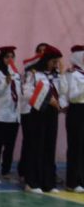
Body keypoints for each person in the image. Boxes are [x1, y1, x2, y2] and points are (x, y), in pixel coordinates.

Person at [21, 45, 67, 193]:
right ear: (46, 60)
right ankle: (32, 183)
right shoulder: (34, 73)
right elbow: (27, 93)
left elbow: (63, 92)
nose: (55, 64)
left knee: (49, 146)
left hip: (52, 114)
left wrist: (61, 104)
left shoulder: (57, 75)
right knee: (36, 146)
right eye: (53, 61)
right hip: (38, 113)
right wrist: (48, 100)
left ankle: (49, 183)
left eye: (57, 62)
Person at [0, 46, 21, 183]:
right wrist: (5, 84)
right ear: (2, 59)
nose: (10, 59)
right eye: (7, 57)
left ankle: (6, 170)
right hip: (1, 116)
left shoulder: (17, 75)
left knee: (10, 146)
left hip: (14, 116)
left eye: (12, 57)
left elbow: (19, 94)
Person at [17, 42, 48, 182]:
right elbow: (25, 92)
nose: (42, 53)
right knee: (29, 142)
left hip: (42, 112)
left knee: (43, 143)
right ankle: (24, 171)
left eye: (45, 51)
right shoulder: (29, 70)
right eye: (39, 51)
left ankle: (41, 172)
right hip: (28, 111)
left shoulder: (49, 72)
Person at [66, 45, 84, 192]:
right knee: (76, 146)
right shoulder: (73, 74)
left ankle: (82, 180)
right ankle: (73, 181)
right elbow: (71, 96)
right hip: (76, 110)